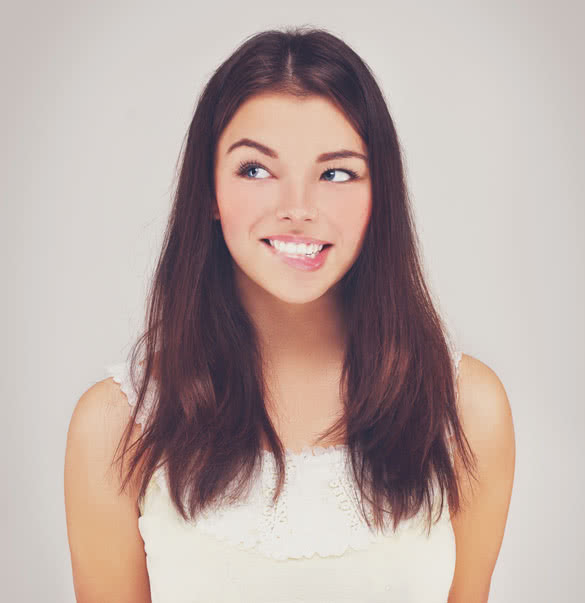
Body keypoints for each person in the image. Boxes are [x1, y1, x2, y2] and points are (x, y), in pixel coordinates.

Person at [64, 26, 515, 602]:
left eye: (336, 173)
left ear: (382, 196)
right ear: (208, 189)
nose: (298, 209)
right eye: (256, 170)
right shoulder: (116, 426)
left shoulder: (466, 410)